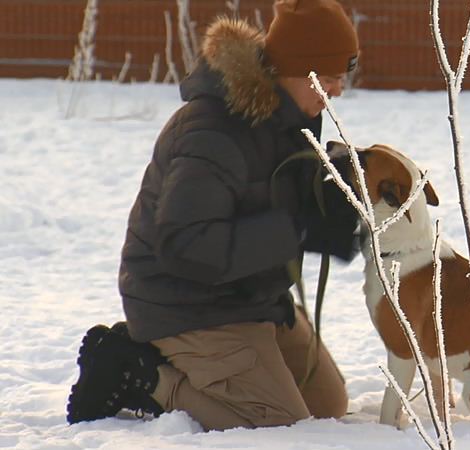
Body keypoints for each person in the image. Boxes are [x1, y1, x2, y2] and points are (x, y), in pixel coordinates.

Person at [66, 0, 361, 431]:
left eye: (341, 79)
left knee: (327, 404)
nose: (337, 91)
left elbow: (271, 190)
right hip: (185, 301)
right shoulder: (211, 131)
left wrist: (331, 185)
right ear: (292, 70)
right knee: (279, 424)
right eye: (329, 79)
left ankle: (190, 365)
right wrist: (298, 229)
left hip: (249, 296)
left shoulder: (287, 115)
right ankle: (141, 373)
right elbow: (187, 247)